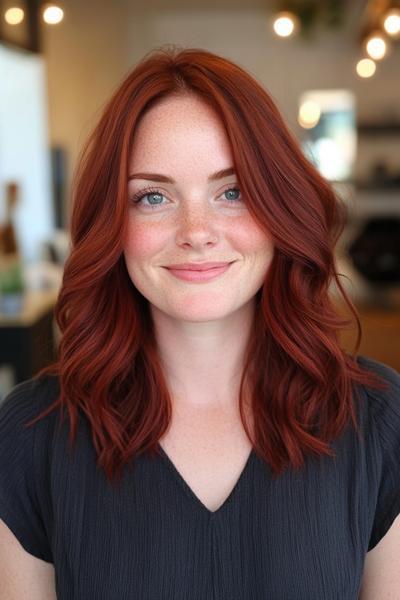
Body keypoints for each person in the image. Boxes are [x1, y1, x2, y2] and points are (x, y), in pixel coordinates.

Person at [0, 46, 399, 600]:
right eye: (153, 196)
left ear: (279, 207)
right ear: (110, 224)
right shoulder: (31, 434)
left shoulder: (378, 421)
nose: (196, 230)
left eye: (232, 192)